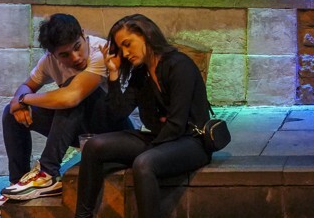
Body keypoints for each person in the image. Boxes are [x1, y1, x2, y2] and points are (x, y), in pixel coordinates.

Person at [0, 14, 130, 216]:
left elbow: (71, 97)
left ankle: (48, 172)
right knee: (10, 113)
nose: (75, 57)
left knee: (71, 91)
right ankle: (18, 187)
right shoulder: (48, 61)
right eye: (65, 55)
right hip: (79, 128)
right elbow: (26, 86)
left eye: (77, 47)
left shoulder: (99, 52)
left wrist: (24, 99)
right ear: (53, 55)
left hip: (114, 130)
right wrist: (19, 102)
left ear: (83, 35)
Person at [74, 15, 212, 218]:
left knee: (144, 163)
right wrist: (113, 75)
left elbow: (177, 123)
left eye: (128, 45)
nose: (126, 53)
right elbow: (117, 114)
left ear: (146, 34)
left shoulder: (179, 65)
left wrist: (146, 150)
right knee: (95, 146)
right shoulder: (141, 74)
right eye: (121, 50)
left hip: (191, 141)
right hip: (161, 140)